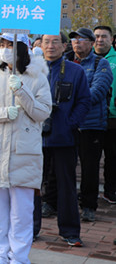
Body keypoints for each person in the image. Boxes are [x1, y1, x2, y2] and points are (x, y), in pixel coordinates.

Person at [0, 33, 52, 264]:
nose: (4, 49)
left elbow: (42, 112)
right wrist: (2, 114)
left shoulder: (38, 76)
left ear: (23, 48)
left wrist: (22, 92)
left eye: (10, 45)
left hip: (24, 154)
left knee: (22, 214)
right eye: (2, 45)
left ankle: (19, 257)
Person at [38, 32, 90, 247]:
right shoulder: (33, 69)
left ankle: (70, 231)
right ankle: (29, 229)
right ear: (40, 45)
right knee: (32, 187)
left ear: (64, 45)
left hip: (64, 138)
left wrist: (70, 122)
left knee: (67, 186)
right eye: (46, 42)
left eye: (55, 42)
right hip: (35, 139)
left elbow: (84, 101)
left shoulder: (75, 70)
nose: (51, 46)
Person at [67, 28, 112, 222]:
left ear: (91, 42)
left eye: (82, 39)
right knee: (63, 166)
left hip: (90, 125)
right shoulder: (65, 63)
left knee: (89, 168)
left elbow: (96, 92)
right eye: (74, 39)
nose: (77, 42)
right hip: (68, 125)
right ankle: (60, 201)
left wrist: (70, 103)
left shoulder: (100, 64)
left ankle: (88, 205)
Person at [94, 25, 116, 204]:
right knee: (89, 158)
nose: (100, 40)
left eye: (104, 36)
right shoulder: (85, 59)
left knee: (112, 157)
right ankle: (89, 192)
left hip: (112, 117)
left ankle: (110, 191)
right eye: (97, 36)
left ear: (111, 39)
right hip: (91, 117)